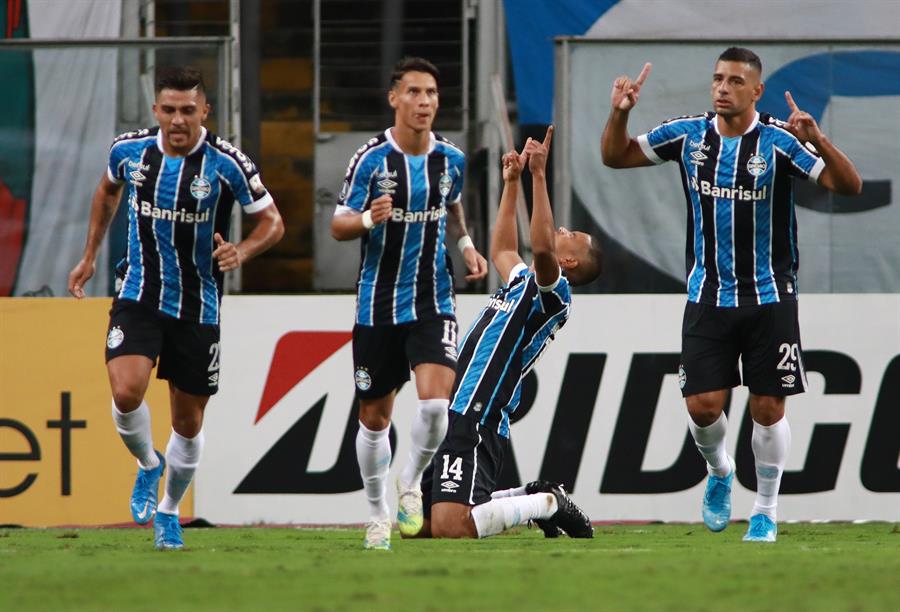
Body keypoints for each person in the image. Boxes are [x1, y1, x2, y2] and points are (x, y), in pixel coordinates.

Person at [600, 47, 862, 542]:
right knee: (702, 405)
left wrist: (820, 140)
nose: (723, 88)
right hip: (708, 294)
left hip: (770, 296)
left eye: (736, 81)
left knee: (768, 408)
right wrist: (620, 112)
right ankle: (720, 471)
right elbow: (615, 156)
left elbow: (847, 186)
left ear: (756, 91)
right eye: (718, 79)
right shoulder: (688, 134)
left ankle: (765, 510)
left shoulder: (780, 142)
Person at [67, 66, 284, 549]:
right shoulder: (129, 151)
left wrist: (242, 251)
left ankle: (169, 512)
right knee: (126, 392)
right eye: (169, 110)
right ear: (156, 110)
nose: (178, 120)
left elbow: (272, 222)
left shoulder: (228, 163)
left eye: (188, 110)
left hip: (198, 306)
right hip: (139, 294)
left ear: (205, 111)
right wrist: (89, 257)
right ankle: (148, 464)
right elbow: (107, 192)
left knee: (188, 423)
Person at [330, 57, 488, 550]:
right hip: (377, 306)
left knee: (437, 406)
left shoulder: (451, 159)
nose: (424, 102)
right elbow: (338, 224)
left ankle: (412, 482)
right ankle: (377, 513)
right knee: (374, 419)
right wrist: (368, 221)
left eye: (432, 94)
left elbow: (454, 207)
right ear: (394, 98)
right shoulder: (371, 159)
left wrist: (465, 247)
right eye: (415, 93)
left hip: (432, 299)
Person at [416, 126, 601, 540]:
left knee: (450, 527)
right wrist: (512, 183)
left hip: (480, 408)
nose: (561, 231)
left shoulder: (556, 295)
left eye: (569, 235)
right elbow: (502, 249)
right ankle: (529, 494)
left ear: (569, 261)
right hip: (456, 403)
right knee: (420, 528)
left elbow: (539, 247)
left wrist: (539, 176)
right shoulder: (522, 280)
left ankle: (547, 504)